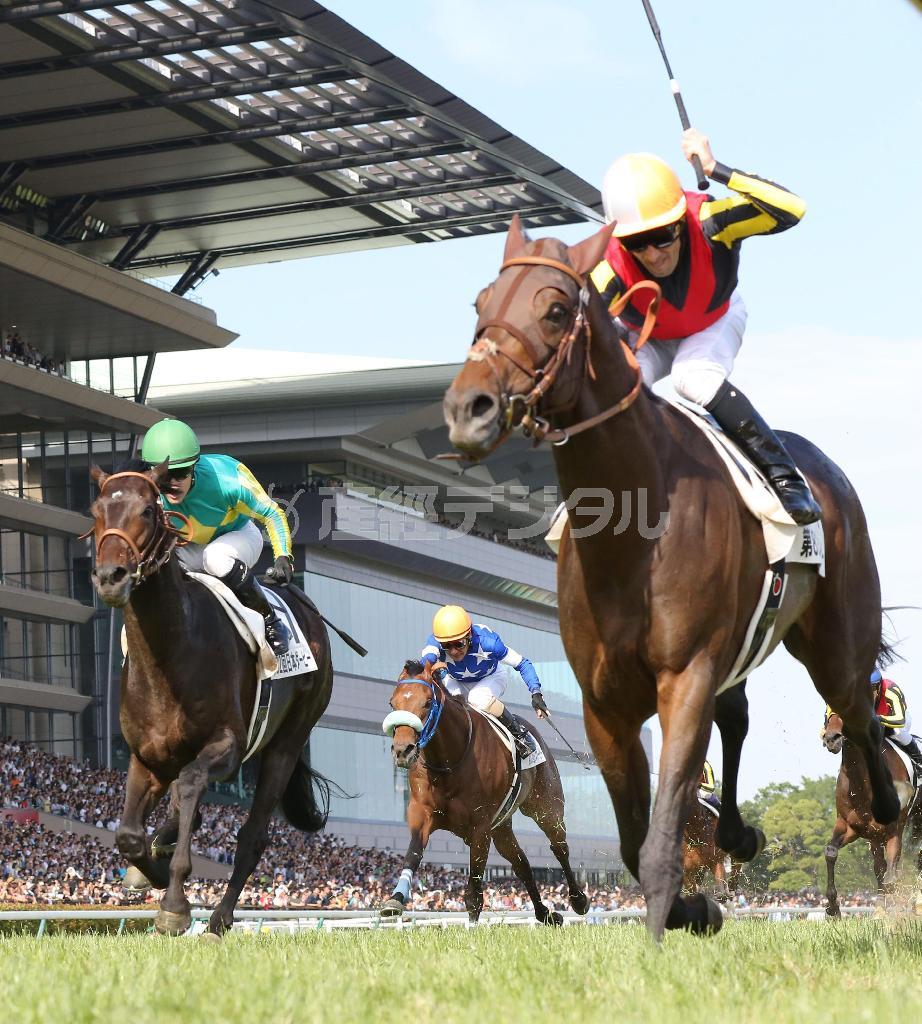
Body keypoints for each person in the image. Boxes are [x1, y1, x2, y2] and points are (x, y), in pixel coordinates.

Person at [592, 128, 821, 526]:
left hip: (714, 319)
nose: (652, 253)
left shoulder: (711, 222)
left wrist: (717, 169)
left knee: (691, 376)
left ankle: (783, 476)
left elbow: (792, 208)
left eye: (661, 236)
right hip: (651, 336)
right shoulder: (607, 267)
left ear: (680, 221)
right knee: (616, 389)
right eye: (637, 243)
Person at [139, 418, 294, 655]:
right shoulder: (147, 491)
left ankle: (270, 620)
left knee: (215, 558)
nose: (172, 484)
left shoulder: (228, 482)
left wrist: (283, 556)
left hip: (238, 535)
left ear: (194, 467)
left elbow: (271, 513)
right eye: (164, 477)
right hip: (189, 546)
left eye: (180, 473)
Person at [419, 605, 548, 758]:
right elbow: (423, 667)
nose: (453, 651)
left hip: (492, 677)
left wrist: (536, 692)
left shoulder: (489, 643)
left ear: (469, 636)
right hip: (456, 680)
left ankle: (519, 735)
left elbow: (522, 663)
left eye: (459, 644)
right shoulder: (435, 643)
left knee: (477, 698)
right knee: (450, 704)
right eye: (447, 646)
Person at [870, 669, 922, 771]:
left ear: (879, 686)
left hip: (899, 718)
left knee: (897, 732)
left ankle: (919, 760)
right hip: (878, 722)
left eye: (872, 688)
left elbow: (900, 720)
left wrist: (878, 719)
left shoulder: (891, 690)